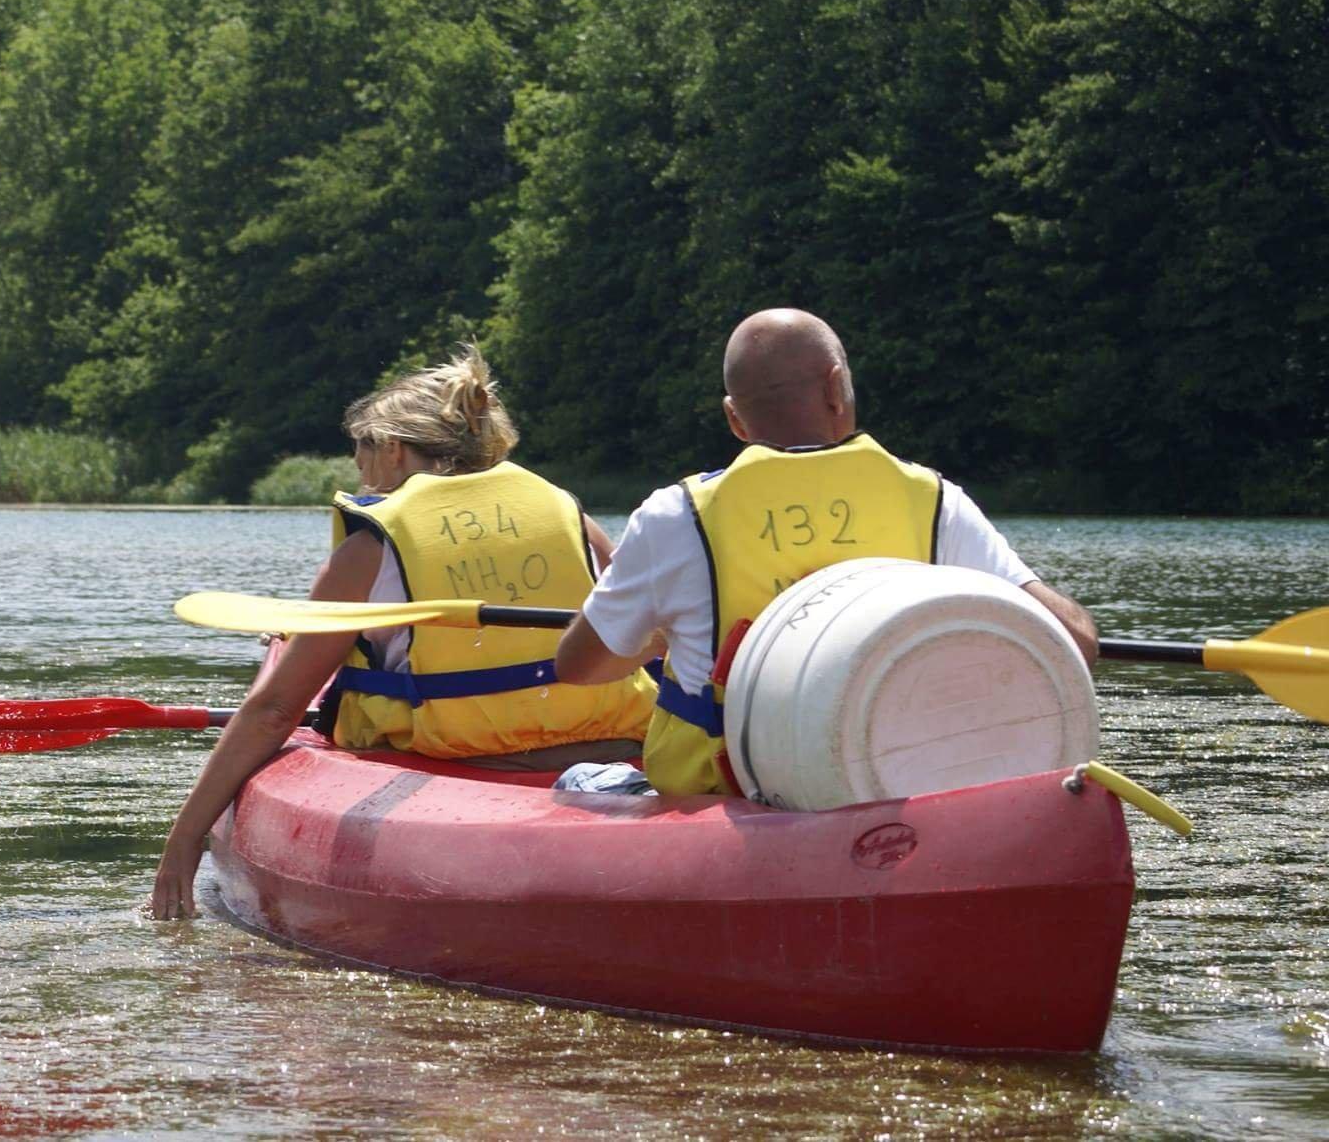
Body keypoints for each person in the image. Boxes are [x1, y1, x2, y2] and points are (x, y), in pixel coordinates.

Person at [149, 345, 659, 920]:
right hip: (615, 750)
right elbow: (646, 636)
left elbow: (275, 710)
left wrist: (184, 839)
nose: (359, 468)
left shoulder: (368, 549)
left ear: (392, 449)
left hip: (466, 770)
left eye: (361, 449)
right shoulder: (571, 518)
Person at [552, 308, 1099, 798]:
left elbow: (579, 666)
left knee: (578, 785)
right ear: (837, 388)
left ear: (734, 419)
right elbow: (1075, 640)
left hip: (727, 790)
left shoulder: (676, 515)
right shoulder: (934, 501)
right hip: (899, 782)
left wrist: (660, 633)